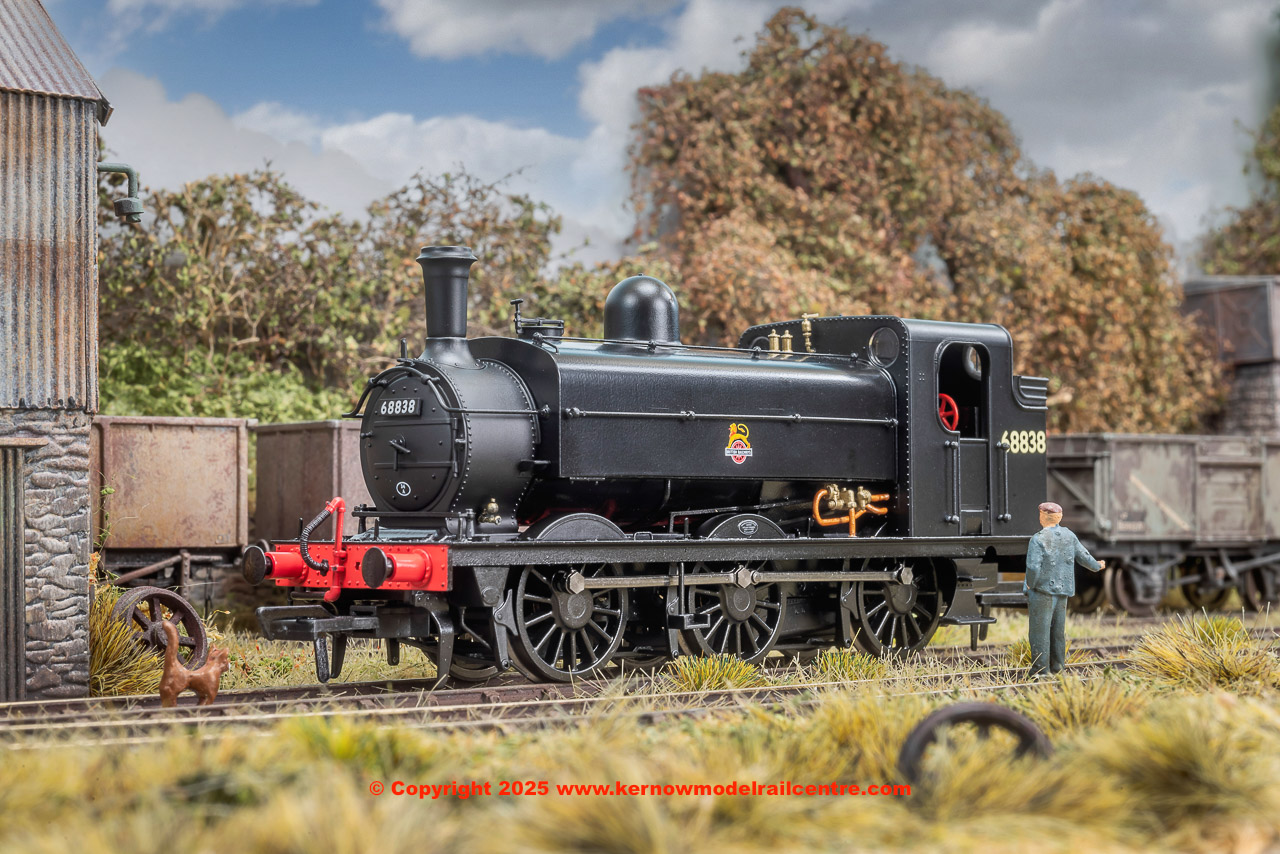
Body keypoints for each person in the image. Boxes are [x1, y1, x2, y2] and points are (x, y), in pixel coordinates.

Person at [1025, 501, 1105, 677]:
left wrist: (1030, 584)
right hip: (1063, 591)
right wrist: (1097, 565)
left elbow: (1033, 567)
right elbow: (1084, 556)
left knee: (1039, 632)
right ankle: (1058, 668)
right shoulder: (1069, 536)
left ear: (1043, 517)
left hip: (1042, 591)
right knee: (1058, 632)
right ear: (1059, 517)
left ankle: (1040, 671)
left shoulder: (1038, 539)